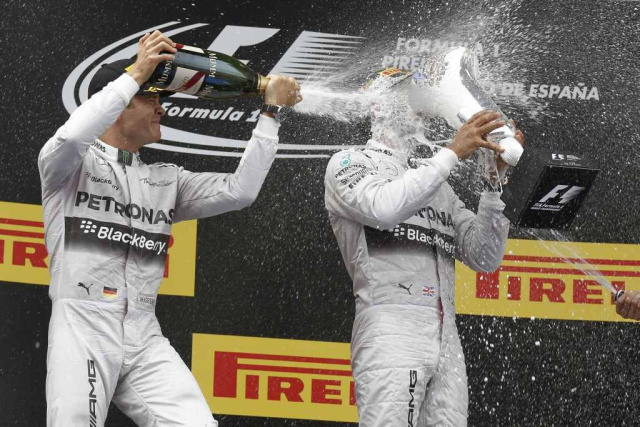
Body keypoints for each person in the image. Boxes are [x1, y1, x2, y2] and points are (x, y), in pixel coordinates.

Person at [39, 30, 300, 427]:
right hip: (84, 324)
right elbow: (74, 134)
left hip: (144, 333)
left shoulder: (166, 179)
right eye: (151, 98)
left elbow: (240, 191)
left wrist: (270, 114)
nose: (161, 109)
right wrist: (136, 73)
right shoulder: (67, 164)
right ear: (117, 106)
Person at [324, 68, 524, 426]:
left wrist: (493, 186)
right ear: (378, 106)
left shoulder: (436, 184)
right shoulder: (350, 163)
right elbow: (385, 209)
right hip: (391, 327)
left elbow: (484, 257)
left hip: (447, 336)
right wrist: (452, 152)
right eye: (407, 96)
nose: (419, 105)